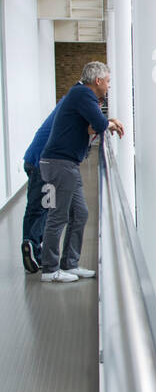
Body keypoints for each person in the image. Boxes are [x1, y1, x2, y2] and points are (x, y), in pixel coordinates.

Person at [39, 62, 125, 283]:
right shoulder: (83, 94)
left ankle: (70, 263)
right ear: (97, 81)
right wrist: (111, 123)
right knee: (58, 216)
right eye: (107, 82)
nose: (108, 87)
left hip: (67, 164)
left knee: (80, 213)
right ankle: (49, 269)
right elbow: (98, 122)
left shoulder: (79, 94)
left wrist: (106, 122)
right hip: (60, 164)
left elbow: (93, 124)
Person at [19, 98, 73, 273]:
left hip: (36, 161)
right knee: (42, 208)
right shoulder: (71, 108)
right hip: (40, 163)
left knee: (41, 207)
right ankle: (32, 244)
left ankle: (33, 246)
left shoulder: (66, 106)